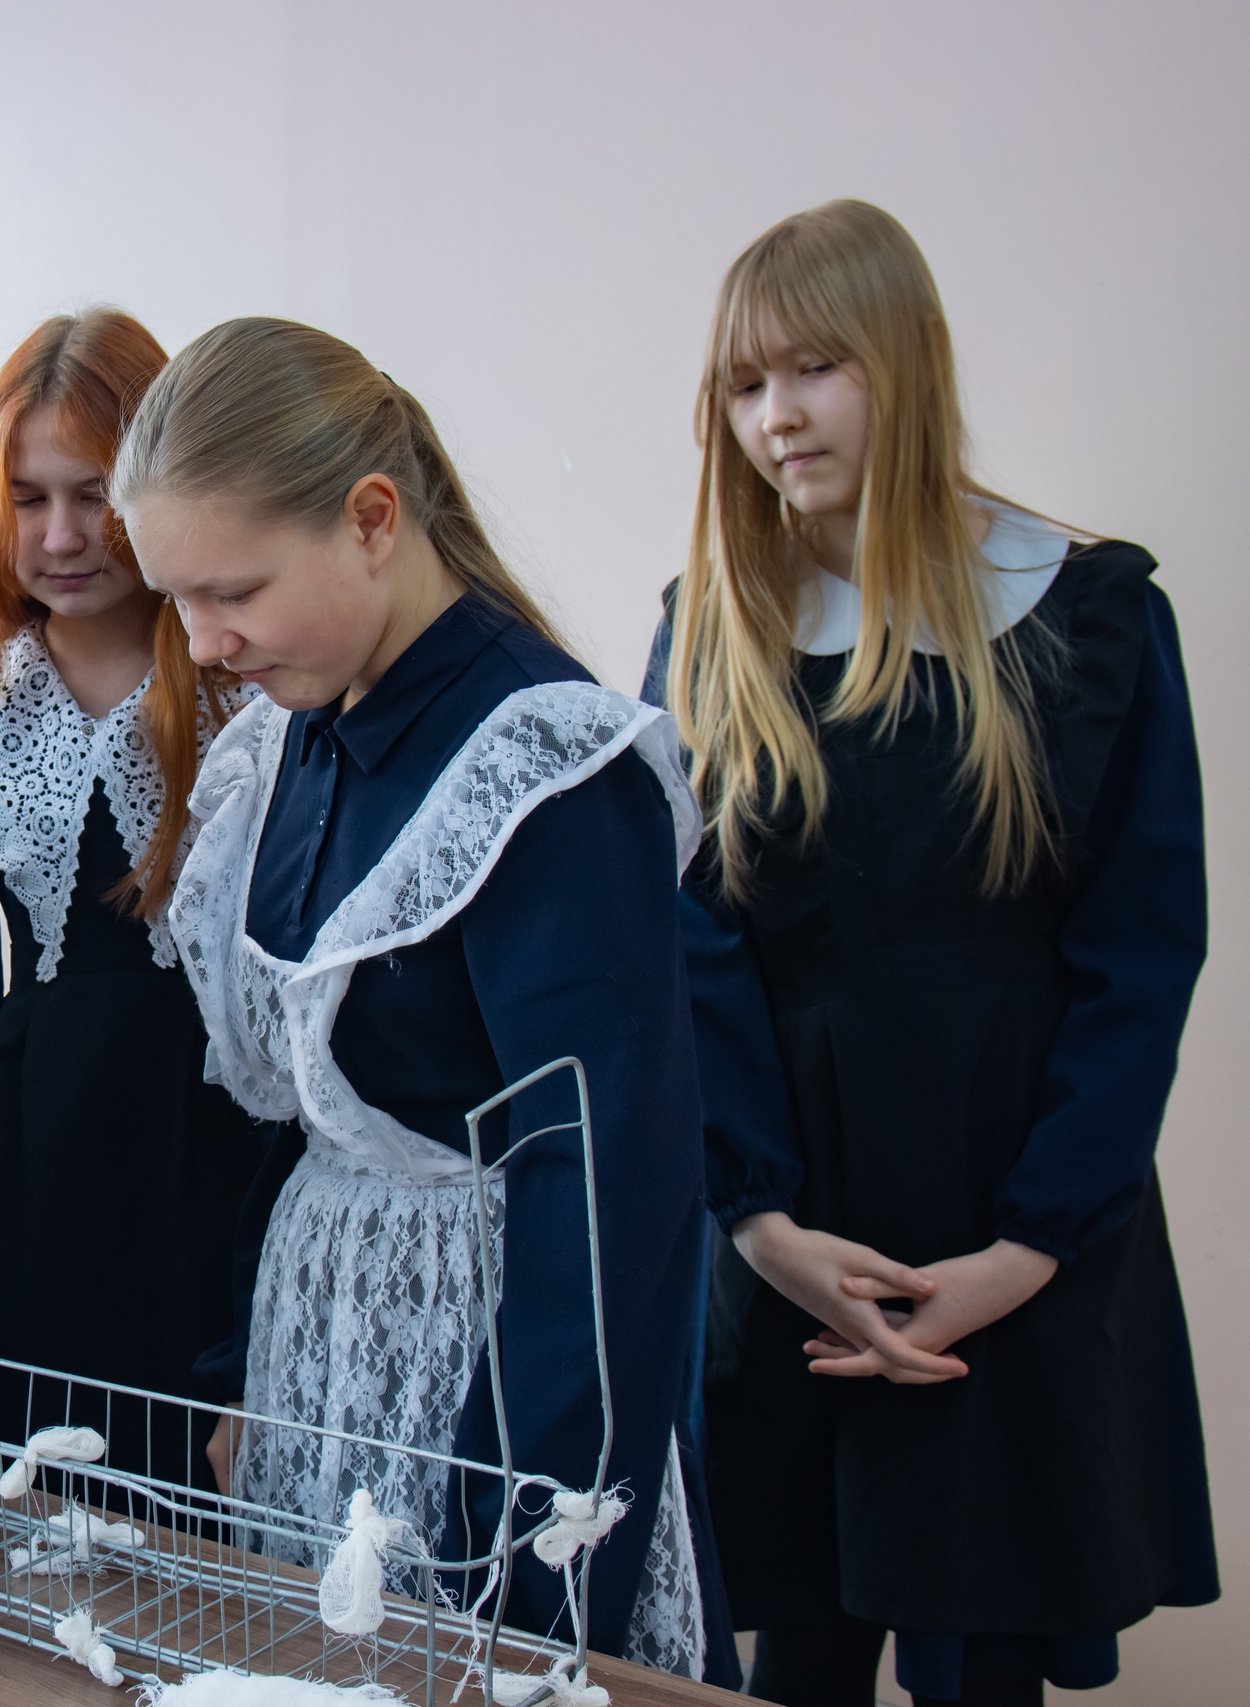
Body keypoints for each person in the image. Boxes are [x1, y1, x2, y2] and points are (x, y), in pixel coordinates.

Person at [651, 199, 1215, 1707]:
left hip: (1017, 1225)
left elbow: (1141, 958)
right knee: (795, 1653)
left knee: (987, 1663)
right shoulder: (713, 630)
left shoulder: (1090, 616)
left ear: (904, 360)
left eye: (814, 369)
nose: (776, 417)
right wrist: (763, 1227)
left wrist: (1026, 1249)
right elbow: (691, 955)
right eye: (744, 384)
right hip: (795, 1235)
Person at [114, 317, 725, 1681]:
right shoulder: (292, 732)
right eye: (178, 599)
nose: (202, 642)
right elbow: (296, 1116)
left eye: (234, 590)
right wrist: (240, 1369)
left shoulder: (544, 765)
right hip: (316, 1361)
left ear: (373, 518)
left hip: (488, 1404)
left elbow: (607, 1201)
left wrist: (521, 1553)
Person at [0, 310, 259, 1463]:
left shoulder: (253, 691)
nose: (61, 535)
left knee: (190, 1493)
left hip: (213, 1146)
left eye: (94, 494)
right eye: (27, 498)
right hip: (33, 1154)